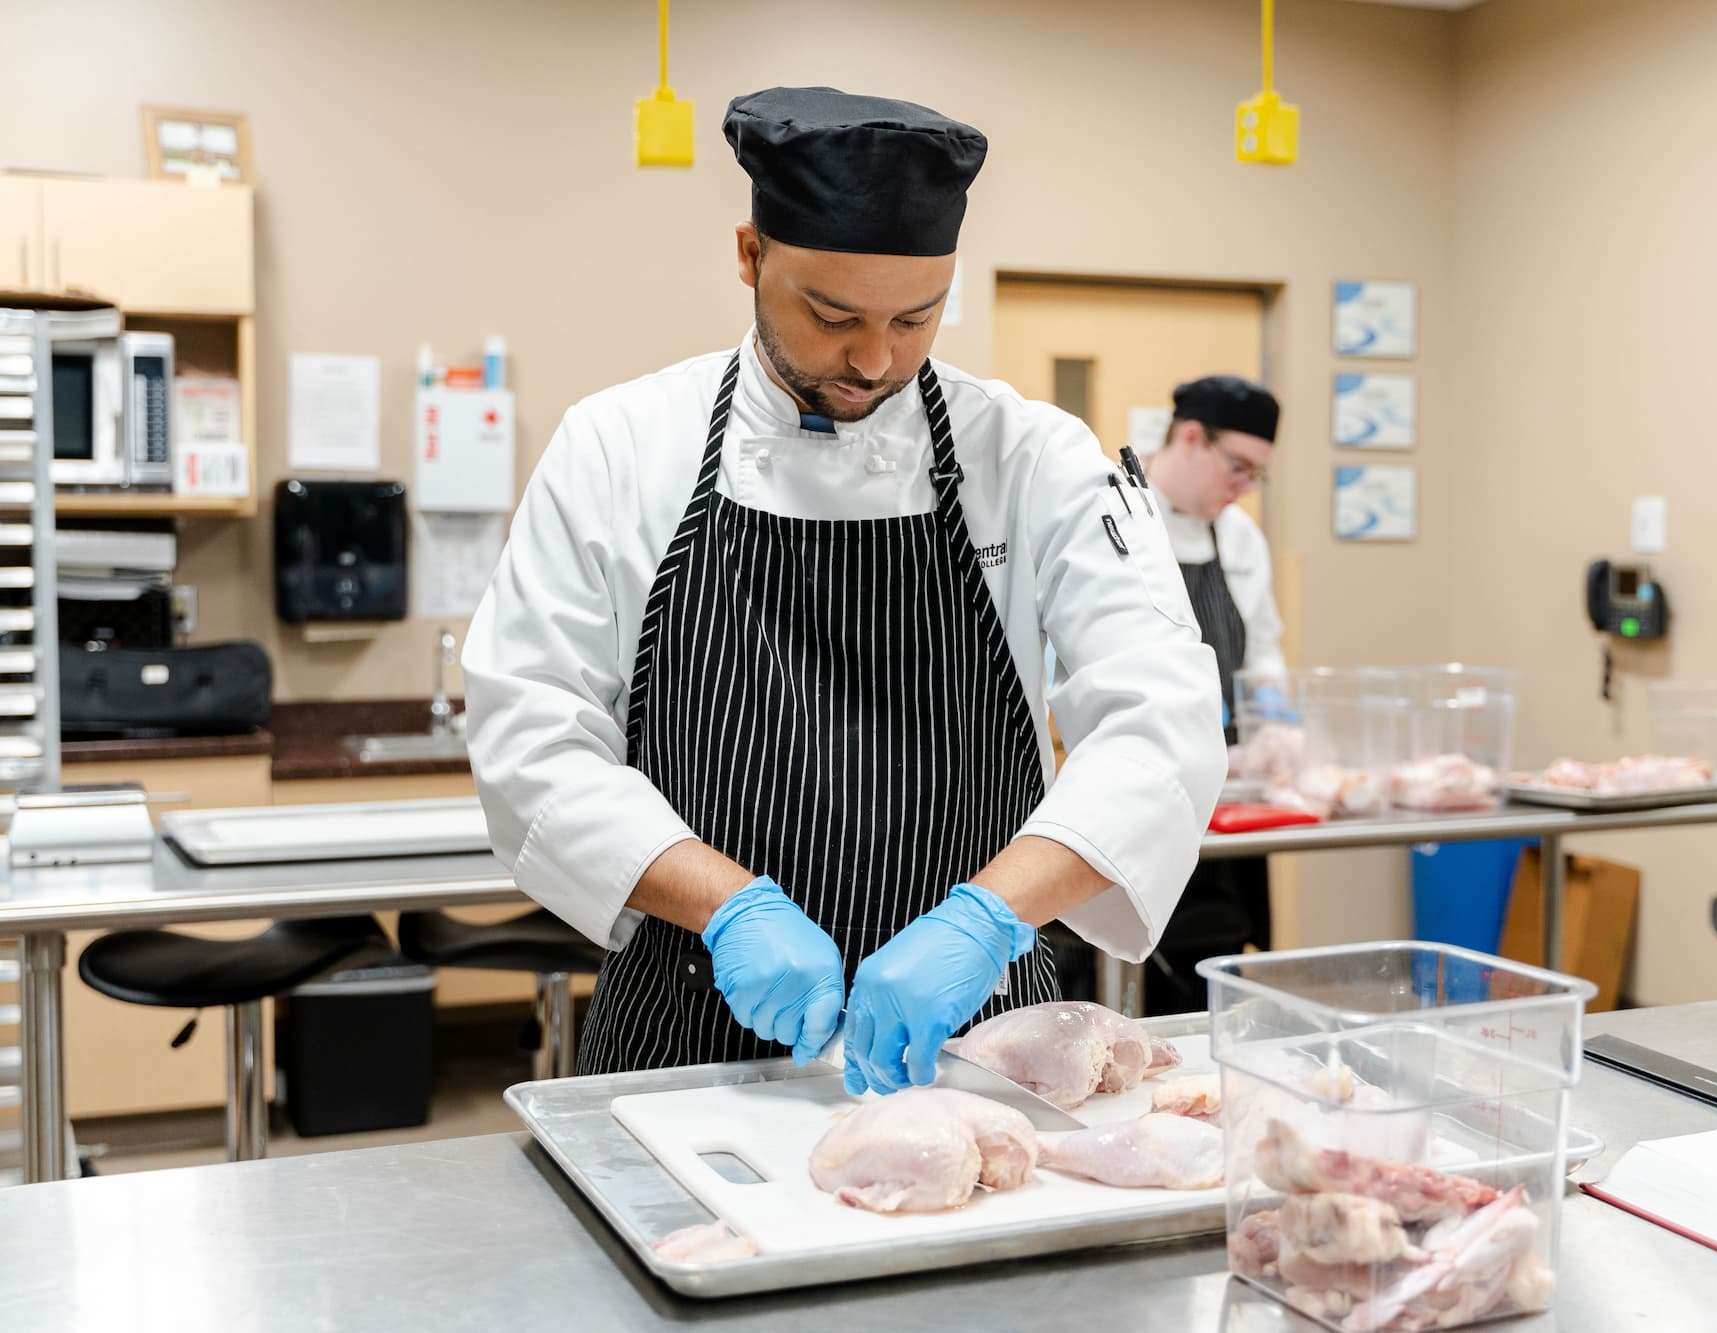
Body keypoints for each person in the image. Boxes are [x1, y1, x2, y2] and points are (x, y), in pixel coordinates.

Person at [463, 87, 1223, 1094]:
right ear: (749, 256)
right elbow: (532, 733)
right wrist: (730, 906)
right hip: (689, 1025)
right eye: (831, 316)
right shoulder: (619, 445)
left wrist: (985, 918)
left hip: (975, 1034)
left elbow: (1160, 724)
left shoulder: (1030, 453)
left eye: (917, 318)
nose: (874, 359)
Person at [1139, 375, 1283, 1011]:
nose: (1243, 487)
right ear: (1191, 437)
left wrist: (1278, 729)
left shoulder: (1239, 536)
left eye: (1256, 475)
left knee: (1215, 953)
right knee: (1134, 956)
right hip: (1138, 781)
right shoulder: (1113, 512)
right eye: (1237, 467)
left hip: (1225, 790)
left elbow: (1264, 652)